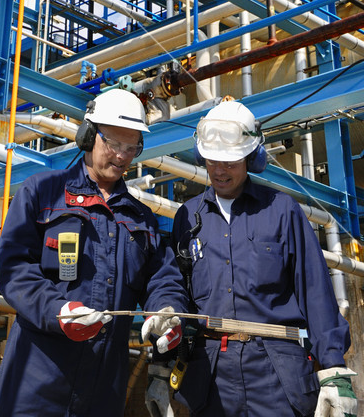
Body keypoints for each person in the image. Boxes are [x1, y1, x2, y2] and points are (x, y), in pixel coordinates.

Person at [146, 97, 356, 417]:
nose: (219, 171)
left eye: (230, 162)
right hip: (210, 379)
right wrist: (161, 362)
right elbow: (175, 289)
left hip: (276, 376)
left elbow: (315, 290)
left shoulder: (282, 210)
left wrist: (333, 370)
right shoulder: (187, 217)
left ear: (251, 158)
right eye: (212, 161)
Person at [0, 88, 188, 417]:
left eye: (132, 147)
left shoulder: (141, 220)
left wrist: (167, 310)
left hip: (102, 391)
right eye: (113, 144)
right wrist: (57, 310)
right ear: (88, 135)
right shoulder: (42, 193)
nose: (122, 156)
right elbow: (15, 270)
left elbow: (162, 279)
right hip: (34, 385)